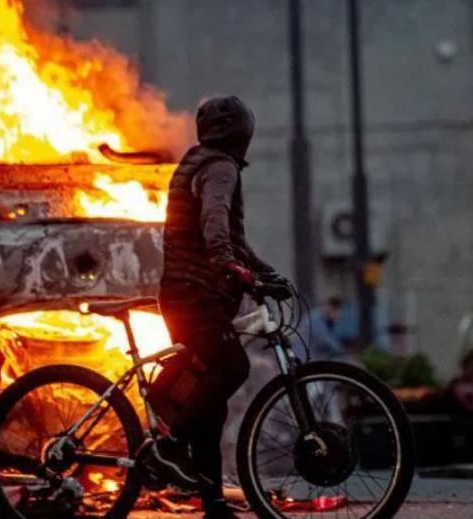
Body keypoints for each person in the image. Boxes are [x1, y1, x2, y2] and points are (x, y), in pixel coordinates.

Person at [149, 95, 279, 519]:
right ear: (242, 133)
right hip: (194, 294)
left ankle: (213, 503)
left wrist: (263, 273)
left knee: (211, 403)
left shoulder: (200, 160)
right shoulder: (219, 167)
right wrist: (226, 263)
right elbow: (215, 221)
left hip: (188, 293)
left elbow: (236, 243)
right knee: (232, 368)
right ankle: (168, 448)